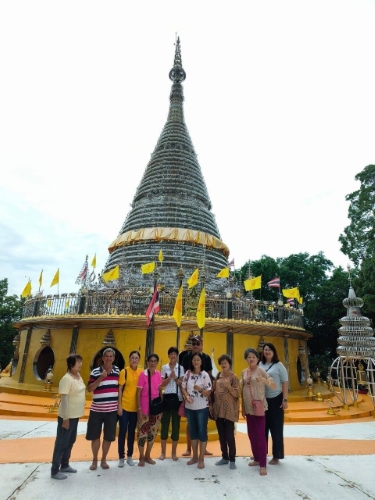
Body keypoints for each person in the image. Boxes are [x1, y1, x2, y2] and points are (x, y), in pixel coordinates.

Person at [241, 347, 276, 476]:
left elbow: (273, 385)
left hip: (259, 406)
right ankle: (256, 458)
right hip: (248, 407)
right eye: (249, 357)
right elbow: (242, 390)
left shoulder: (261, 370)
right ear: (246, 359)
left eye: (253, 357)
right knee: (251, 435)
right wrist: (243, 408)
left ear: (257, 359)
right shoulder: (244, 372)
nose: (251, 359)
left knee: (261, 436)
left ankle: (263, 464)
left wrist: (264, 380)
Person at [51, 353, 85, 480]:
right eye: (78, 362)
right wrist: (65, 418)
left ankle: (65, 464)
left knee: (70, 441)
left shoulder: (78, 376)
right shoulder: (66, 379)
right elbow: (64, 400)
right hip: (67, 416)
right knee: (61, 442)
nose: (81, 364)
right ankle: (54, 470)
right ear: (71, 365)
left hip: (75, 416)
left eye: (81, 362)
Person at [86, 347, 120, 471]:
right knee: (95, 436)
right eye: (107, 356)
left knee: (108, 436)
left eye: (111, 356)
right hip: (96, 410)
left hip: (111, 410)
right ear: (102, 358)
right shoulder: (95, 372)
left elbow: (120, 389)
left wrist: (119, 407)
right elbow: (89, 389)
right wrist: (100, 378)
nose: (108, 358)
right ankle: (94, 460)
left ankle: (103, 459)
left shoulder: (117, 371)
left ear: (114, 359)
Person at [180, 334, 213, 456]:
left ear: (202, 345)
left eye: (197, 343)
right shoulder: (186, 357)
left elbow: (209, 376)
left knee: (203, 423)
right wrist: (184, 394)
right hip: (189, 396)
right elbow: (183, 376)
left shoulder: (206, 358)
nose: (195, 346)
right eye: (193, 343)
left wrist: (209, 394)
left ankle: (203, 449)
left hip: (203, 396)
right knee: (191, 423)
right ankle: (189, 448)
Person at [259, 342, 289, 465]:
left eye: (269, 350)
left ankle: (277, 455)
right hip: (262, 400)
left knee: (276, 428)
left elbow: (285, 382)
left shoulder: (279, 365)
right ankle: (262, 453)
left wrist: (285, 399)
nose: (267, 352)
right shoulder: (260, 364)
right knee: (262, 428)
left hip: (276, 399)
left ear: (273, 352)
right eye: (265, 349)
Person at [212, 354, 239, 470]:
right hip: (218, 409)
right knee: (221, 435)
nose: (223, 365)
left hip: (230, 410)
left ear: (229, 364)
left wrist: (229, 386)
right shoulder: (218, 375)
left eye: (225, 363)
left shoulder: (234, 377)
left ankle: (232, 459)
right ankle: (224, 457)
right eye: (222, 363)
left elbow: (237, 394)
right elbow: (213, 390)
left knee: (229, 435)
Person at [136, 353, 163, 467]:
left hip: (155, 410)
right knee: (142, 433)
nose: (153, 363)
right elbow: (138, 393)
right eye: (151, 361)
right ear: (147, 362)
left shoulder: (158, 374)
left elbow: (160, 391)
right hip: (144, 409)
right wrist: (139, 410)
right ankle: (141, 457)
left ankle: (148, 455)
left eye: (155, 361)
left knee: (152, 433)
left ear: (157, 363)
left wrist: (161, 409)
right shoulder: (143, 375)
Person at [117, 350, 142, 467]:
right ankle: (121, 457)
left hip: (135, 408)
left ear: (139, 360)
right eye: (132, 358)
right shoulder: (124, 371)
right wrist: (119, 406)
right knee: (122, 432)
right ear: (129, 359)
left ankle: (130, 456)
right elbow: (120, 389)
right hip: (125, 406)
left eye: (136, 358)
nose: (134, 360)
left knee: (132, 432)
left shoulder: (141, 372)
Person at [159, 347, 184, 461]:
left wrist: (175, 378)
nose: (173, 356)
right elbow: (162, 384)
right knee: (164, 426)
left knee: (175, 426)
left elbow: (181, 384)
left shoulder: (181, 368)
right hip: (166, 399)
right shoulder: (164, 367)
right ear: (168, 355)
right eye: (171, 354)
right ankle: (163, 453)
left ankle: (174, 453)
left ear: (177, 355)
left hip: (177, 399)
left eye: (175, 354)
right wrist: (170, 377)